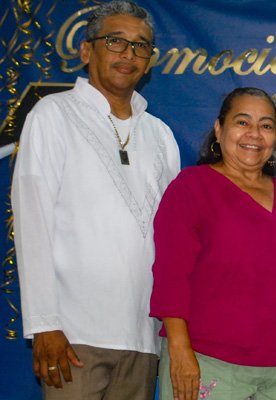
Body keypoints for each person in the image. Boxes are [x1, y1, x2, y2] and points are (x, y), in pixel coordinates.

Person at [11, 1, 180, 398]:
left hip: (143, 337)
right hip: (72, 336)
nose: (128, 54)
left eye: (141, 46)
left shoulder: (161, 134)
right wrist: (45, 324)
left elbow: (172, 240)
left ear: (150, 61)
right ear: (87, 51)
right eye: (116, 41)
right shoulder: (53, 115)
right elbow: (32, 222)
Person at [149, 87, 276, 400]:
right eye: (243, 122)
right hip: (208, 362)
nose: (255, 134)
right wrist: (180, 350)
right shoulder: (192, 187)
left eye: (266, 126)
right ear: (218, 129)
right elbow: (172, 275)